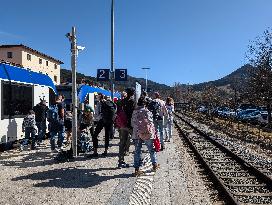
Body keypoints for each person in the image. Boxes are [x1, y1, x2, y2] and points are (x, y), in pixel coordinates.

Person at [131, 97, 159, 176]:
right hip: (147, 134)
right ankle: (154, 165)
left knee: (137, 151)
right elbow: (151, 123)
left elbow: (132, 124)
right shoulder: (148, 111)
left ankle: (136, 170)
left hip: (136, 134)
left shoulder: (135, 112)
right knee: (151, 150)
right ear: (145, 104)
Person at [117, 88, 135, 168]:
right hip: (131, 125)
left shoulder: (121, 101)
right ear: (133, 93)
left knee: (122, 142)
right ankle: (137, 162)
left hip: (122, 124)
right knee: (137, 143)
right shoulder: (133, 102)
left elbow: (118, 112)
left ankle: (120, 162)